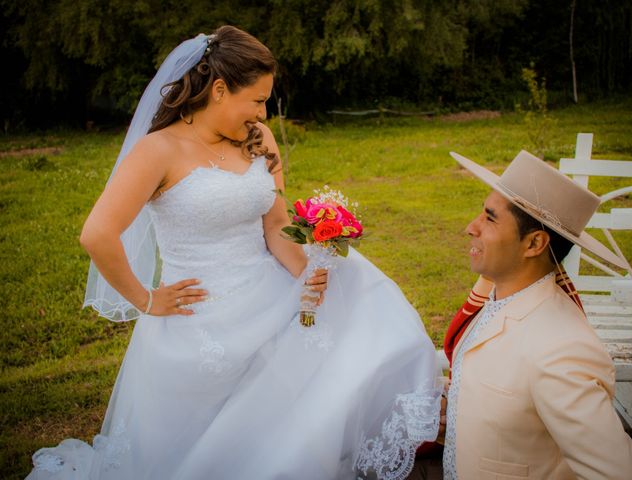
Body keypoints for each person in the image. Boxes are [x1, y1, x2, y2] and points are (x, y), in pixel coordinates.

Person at [26, 26, 441, 480]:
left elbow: (276, 223)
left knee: (357, 312)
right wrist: (145, 299)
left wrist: (306, 272)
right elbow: (97, 233)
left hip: (268, 295)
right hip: (198, 317)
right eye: (257, 99)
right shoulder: (158, 150)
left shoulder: (257, 137)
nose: (263, 111)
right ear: (220, 90)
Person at [442, 150, 632, 479]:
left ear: (534, 243)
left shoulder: (560, 350)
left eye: (490, 218)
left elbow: (618, 472)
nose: (470, 228)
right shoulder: (498, 298)